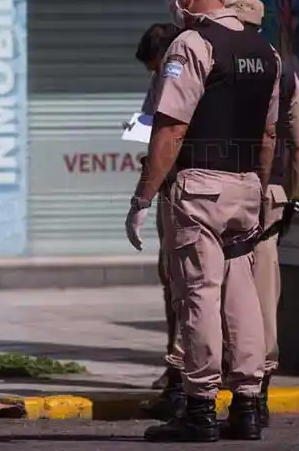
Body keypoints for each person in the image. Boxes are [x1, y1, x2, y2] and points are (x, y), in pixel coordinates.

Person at [126, 0, 280, 442]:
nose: (173, 3)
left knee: (199, 296)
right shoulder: (264, 50)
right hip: (245, 188)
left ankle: (198, 408)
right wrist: (257, 185)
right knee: (243, 300)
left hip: (199, 189)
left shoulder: (192, 44)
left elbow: (170, 129)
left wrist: (143, 196)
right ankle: (249, 405)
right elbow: (270, 134)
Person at [225, 0, 299, 426]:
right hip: (269, 198)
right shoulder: (283, 68)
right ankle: (257, 398)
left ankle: (214, 393)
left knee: (214, 294)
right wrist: (284, 195)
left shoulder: (216, 58)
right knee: (262, 298)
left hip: (220, 191)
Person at [132, 23, 184, 396]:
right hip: (168, 189)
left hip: (193, 189)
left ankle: (188, 372)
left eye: (157, 64)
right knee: (172, 281)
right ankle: (176, 366)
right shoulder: (161, 81)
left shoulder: (188, 72)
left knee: (192, 285)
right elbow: (144, 130)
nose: (156, 73)